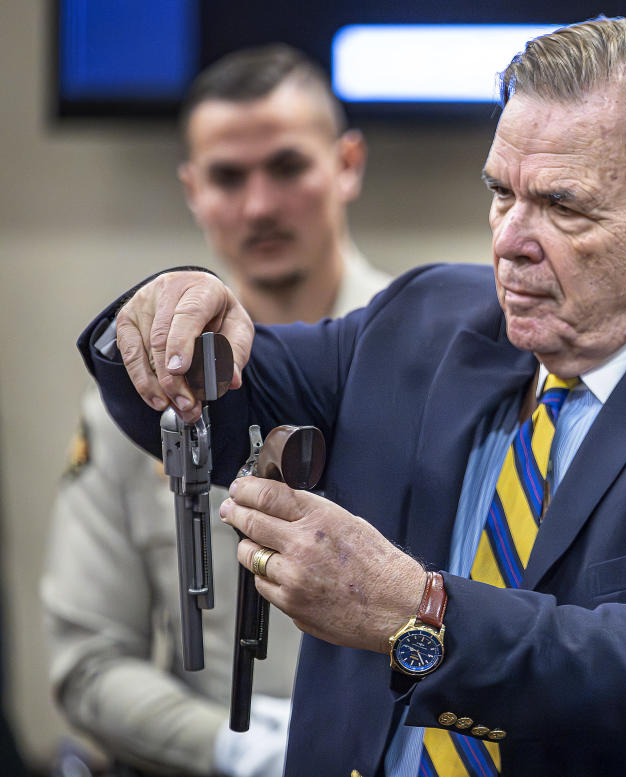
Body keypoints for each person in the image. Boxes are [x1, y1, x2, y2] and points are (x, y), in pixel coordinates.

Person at [75, 14, 626, 777]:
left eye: (561, 205)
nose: (508, 239)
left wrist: (415, 611)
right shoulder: (424, 321)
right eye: (502, 192)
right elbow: (207, 402)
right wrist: (162, 310)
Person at [43, 44, 389, 777]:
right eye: (228, 177)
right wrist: (234, 745)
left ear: (347, 164)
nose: (259, 204)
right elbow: (89, 662)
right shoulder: (140, 399)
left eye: (288, 166)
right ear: (193, 189)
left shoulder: (431, 365)